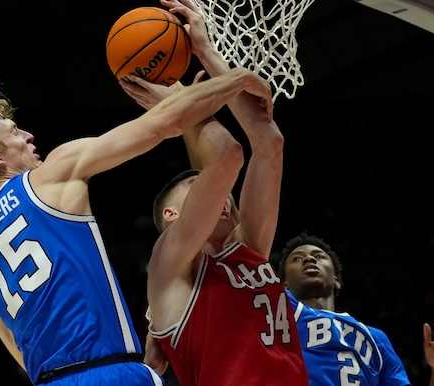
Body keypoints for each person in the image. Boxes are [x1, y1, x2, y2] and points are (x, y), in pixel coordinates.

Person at [0, 68, 275, 385]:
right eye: (15, 133)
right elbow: (163, 123)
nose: (29, 136)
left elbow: (17, 347)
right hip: (110, 372)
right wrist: (236, 80)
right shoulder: (47, 177)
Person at [119, 0, 309, 385]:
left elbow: (269, 142)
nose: (220, 194)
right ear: (171, 217)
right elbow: (227, 156)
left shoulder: (249, 248)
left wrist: (206, 51)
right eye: (196, 187)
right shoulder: (170, 267)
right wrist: (181, 106)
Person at [275, 231, 434, 386]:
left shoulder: (375, 338)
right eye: (297, 258)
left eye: (319, 256)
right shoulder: (276, 316)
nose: (308, 259)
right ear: (284, 285)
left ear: (336, 280)